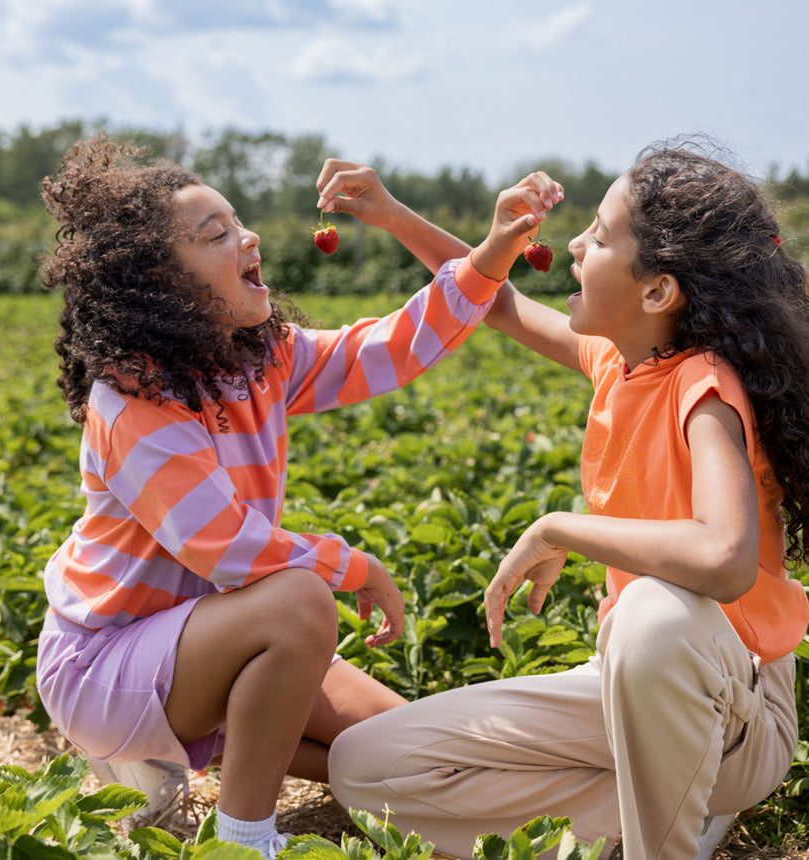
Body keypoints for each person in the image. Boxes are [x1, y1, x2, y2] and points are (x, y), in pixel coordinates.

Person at [34, 135, 559, 859]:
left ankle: (217, 748)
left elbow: (393, 347)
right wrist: (356, 567)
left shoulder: (261, 358)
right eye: (216, 234)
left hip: (209, 636)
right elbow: (226, 544)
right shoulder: (131, 400)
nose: (247, 237)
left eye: (238, 221)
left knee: (412, 745)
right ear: (161, 282)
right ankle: (247, 841)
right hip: (106, 663)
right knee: (300, 599)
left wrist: (496, 248)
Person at [325, 143, 809, 859]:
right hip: (631, 687)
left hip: (734, 705)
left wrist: (561, 529)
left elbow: (724, 558)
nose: (575, 245)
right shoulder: (620, 360)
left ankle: (665, 838)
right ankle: (676, 805)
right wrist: (391, 214)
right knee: (365, 768)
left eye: (601, 236)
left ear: (657, 293)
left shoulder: (704, 387)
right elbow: (501, 305)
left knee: (653, 615)